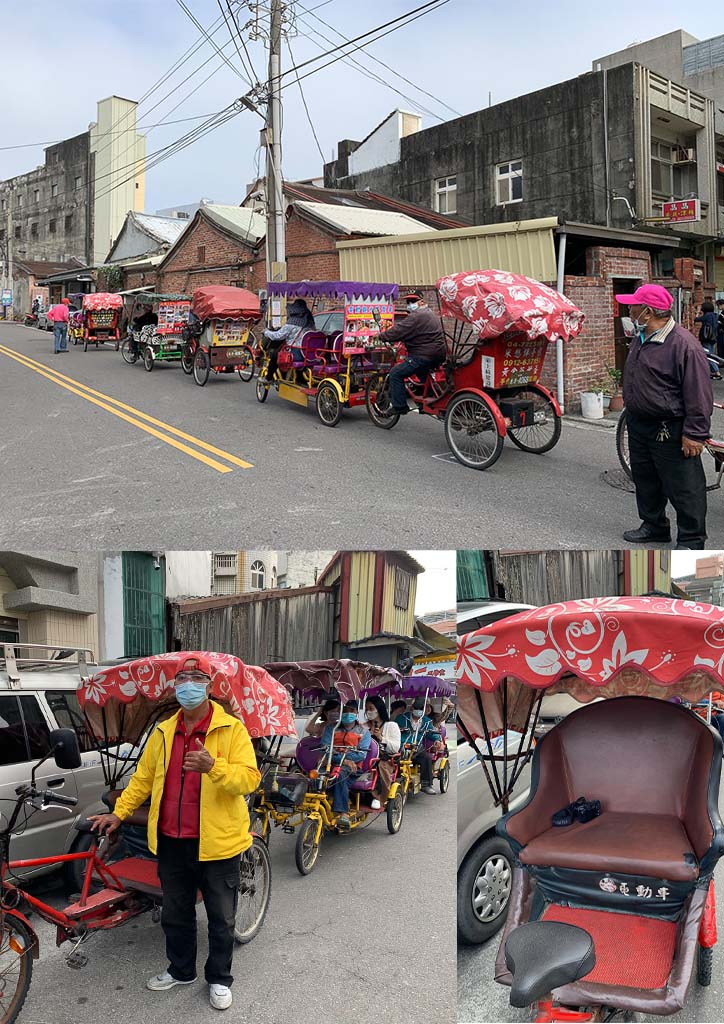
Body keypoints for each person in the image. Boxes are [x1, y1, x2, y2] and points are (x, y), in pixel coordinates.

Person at [88, 656, 261, 1012]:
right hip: (171, 842)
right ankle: (181, 970)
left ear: (209, 687)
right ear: (174, 686)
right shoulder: (164, 731)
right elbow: (142, 780)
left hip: (218, 844)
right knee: (176, 913)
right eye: (182, 678)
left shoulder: (232, 730)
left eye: (197, 678)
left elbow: (249, 779)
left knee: (221, 918)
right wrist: (118, 813)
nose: (188, 685)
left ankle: (218, 978)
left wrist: (214, 767)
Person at [616, 283, 712, 550]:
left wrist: (695, 433)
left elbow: (698, 394)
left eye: (634, 306)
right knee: (646, 479)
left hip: (669, 428)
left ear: (647, 312)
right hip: (639, 423)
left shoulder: (683, 345)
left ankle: (692, 541)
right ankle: (654, 525)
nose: (629, 309)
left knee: (684, 488)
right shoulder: (642, 336)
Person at [376, 290, 448, 414]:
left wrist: (382, 336)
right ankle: (428, 400)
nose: (410, 304)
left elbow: (399, 330)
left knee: (395, 373)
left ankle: (400, 406)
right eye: (408, 302)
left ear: (422, 302)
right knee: (422, 373)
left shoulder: (417, 316)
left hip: (424, 355)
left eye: (413, 301)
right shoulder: (430, 313)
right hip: (438, 353)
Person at [320, 699, 371, 830]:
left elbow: (361, 754)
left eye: (352, 710)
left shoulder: (364, 731)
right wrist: (343, 758)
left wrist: (339, 757)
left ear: (356, 712)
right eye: (346, 710)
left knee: (340, 775)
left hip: (353, 768)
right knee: (317, 776)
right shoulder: (331, 728)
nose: (348, 713)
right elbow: (326, 748)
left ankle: (343, 813)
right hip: (330, 764)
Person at [261, 299, 316, 382]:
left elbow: (278, 336)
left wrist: (266, 332)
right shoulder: (310, 322)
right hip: (310, 354)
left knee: (274, 355)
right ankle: (299, 377)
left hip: (296, 354)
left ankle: (268, 378)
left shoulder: (291, 323)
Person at [398, 698, 440, 795]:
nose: (419, 710)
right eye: (417, 708)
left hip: (417, 747)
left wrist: (437, 739)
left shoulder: (427, 721)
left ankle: (426, 785)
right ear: (412, 708)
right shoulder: (401, 718)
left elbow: (431, 734)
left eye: (421, 709)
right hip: (401, 746)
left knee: (427, 758)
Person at [364, 696, 401, 804]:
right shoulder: (364, 726)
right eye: (366, 709)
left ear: (379, 709)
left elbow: (395, 747)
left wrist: (381, 738)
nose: (368, 711)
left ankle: (379, 796)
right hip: (365, 756)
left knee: (380, 766)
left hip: (384, 758)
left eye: (371, 708)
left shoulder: (391, 726)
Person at [695, 301, 721, 380]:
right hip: (713, 338)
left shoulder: (707, 316)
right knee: (711, 354)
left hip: (707, 338)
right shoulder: (715, 315)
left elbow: (696, 319)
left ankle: (716, 372)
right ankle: (713, 371)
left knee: (708, 356)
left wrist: (698, 311)